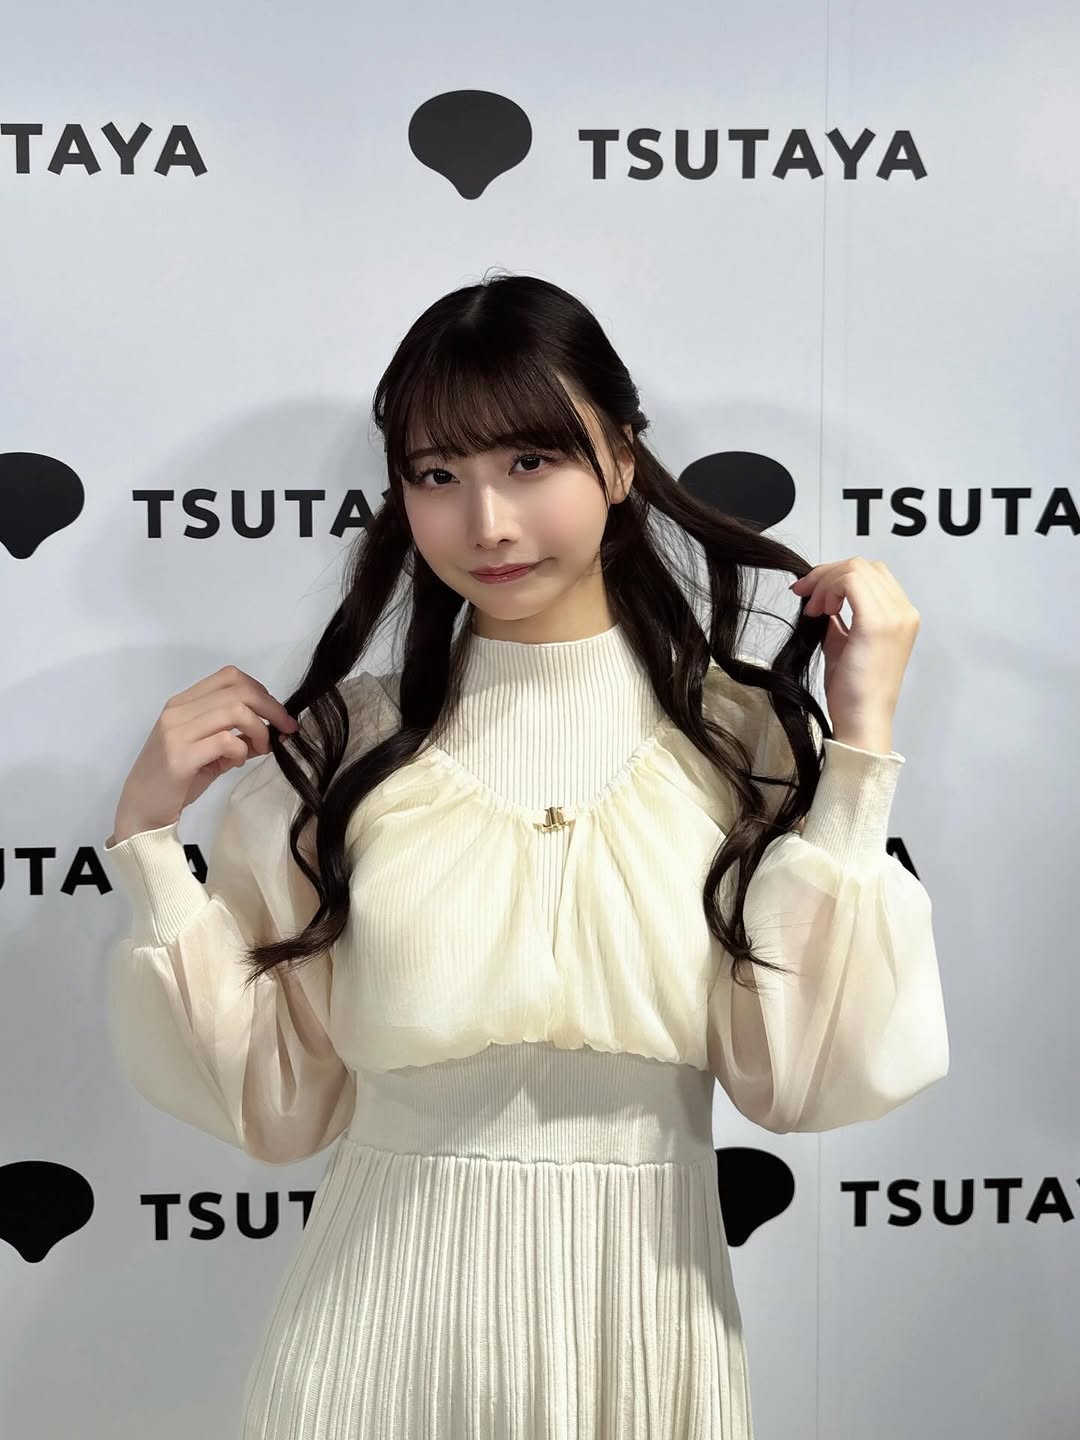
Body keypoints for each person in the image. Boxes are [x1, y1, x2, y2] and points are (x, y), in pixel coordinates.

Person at [102, 271, 949, 1438]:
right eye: (437, 476)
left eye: (531, 462)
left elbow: (804, 1082)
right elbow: (275, 1108)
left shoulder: (740, 740)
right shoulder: (349, 748)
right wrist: (148, 844)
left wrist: (859, 750)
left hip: (639, 1334)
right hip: (372, 1342)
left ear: (620, 460)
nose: (488, 523)